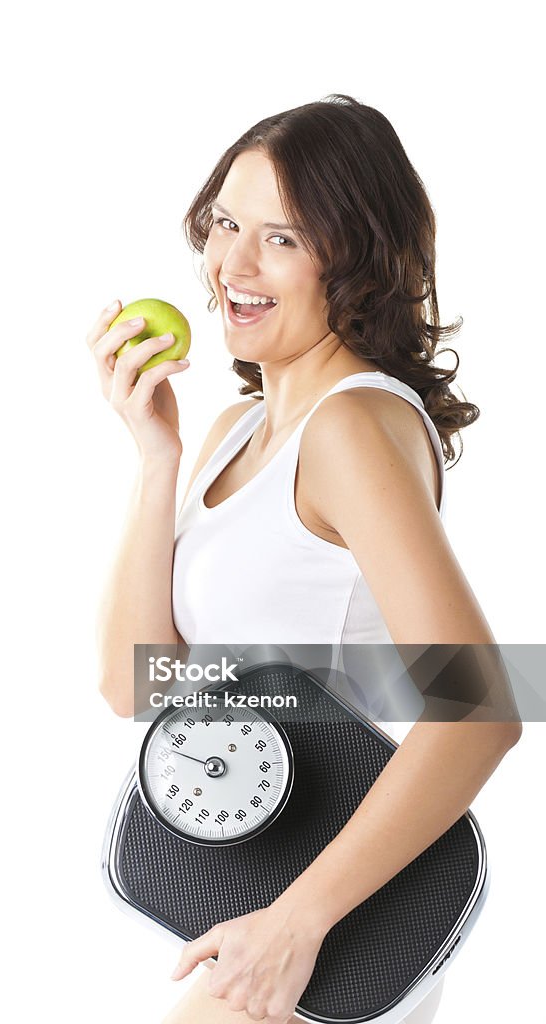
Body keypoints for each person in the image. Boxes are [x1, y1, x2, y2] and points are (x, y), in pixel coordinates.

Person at [88, 94, 522, 1024]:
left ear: (354, 258)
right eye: (225, 224)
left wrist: (296, 923)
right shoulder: (232, 429)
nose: (233, 265)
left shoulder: (353, 427)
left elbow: (477, 707)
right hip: (259, 898)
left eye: (281, 239)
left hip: (326, 922)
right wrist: (155, 458)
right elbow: (139, 690)